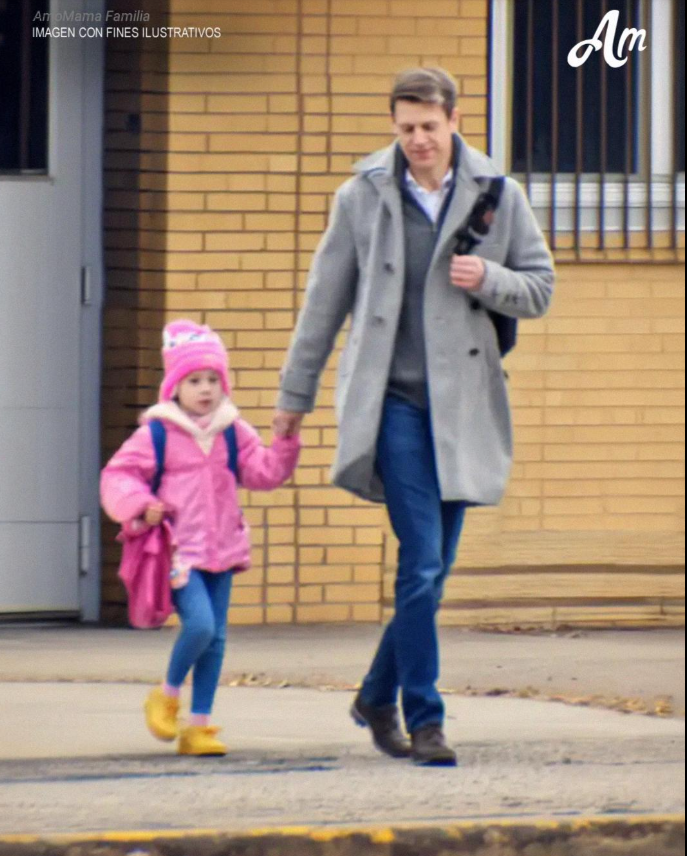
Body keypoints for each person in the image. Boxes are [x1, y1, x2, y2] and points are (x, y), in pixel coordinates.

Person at [273, 68, 554, 766]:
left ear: (453, 120)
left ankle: (374, 696)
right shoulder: (362, 196)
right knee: (422, 561)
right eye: (406, 128)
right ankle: (425, 717)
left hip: (462, 407)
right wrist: (293, 397)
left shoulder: (497, 195)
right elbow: (322, 302)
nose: (418, 140)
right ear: (393, 126)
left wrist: (488, 278)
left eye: (429, 126)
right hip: (392, 403)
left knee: (434, 571)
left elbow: (539, 287)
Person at [102, 320, 301, 756]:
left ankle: (199, 727)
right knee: (201, 626)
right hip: (179, 552)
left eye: (213, 379)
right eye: (194, 380)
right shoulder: (157, 434)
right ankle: (167, 694)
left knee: (217, 639)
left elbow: (264, 473)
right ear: (175, 386)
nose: (206, 389)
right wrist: (140, 504)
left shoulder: (233, 430)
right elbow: (117, 477)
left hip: (223, 548)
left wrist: (285, 442)